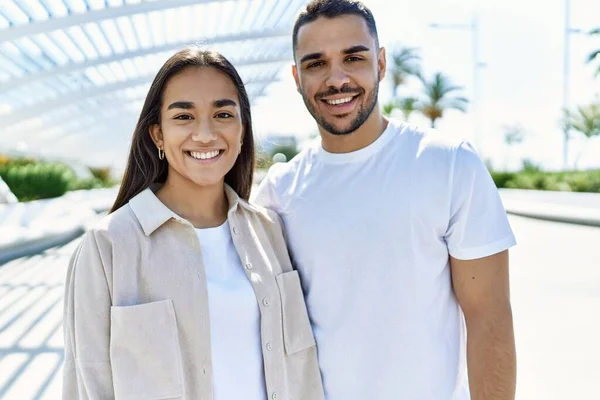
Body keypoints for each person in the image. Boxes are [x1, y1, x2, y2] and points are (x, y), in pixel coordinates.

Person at [253, 1, 517, 399]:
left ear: (380, 63)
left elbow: (488, 317)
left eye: (353, 58)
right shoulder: (278, 191)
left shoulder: (447, 164)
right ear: (296, 77)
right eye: (316, 64)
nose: (336, 78)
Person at [62, 47, 324, 400]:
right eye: (184, 117)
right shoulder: (107, 247)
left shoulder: (269, 231)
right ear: (157, 135)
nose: (205, 134)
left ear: (242, 130)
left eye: (223, 114)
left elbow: (303, 372)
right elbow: (86, 384)